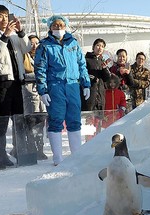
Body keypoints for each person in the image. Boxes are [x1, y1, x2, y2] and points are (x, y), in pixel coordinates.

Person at [34, 15, 91, 166]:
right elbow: (40, 69)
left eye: (61, 25)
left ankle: (76, 155)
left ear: (65, 26)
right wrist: (43, 90)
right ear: (50, 28)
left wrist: (86, 84)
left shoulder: (73, 43)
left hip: (72, 85)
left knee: (74, 120)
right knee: (56, 119)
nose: (58, 28)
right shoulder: (45, 46)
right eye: (55, 25)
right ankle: (58, 157)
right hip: (55, 86)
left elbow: (82, 64)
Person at [0, 5, 31, 168]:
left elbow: (27, 48)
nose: (4, 19)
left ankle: (20, 150)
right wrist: (5, 35)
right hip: (3, 82)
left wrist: (20, 32)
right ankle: (0, 153)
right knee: (2, 121)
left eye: (6, 16)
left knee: (19, 119)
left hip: (17, 81)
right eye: (0, 16)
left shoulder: (15, 35)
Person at [22, 34, 47, 161]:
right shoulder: (23, 57)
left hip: (42, 97)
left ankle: (40, 149)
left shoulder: (43, 57)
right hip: (29, 96)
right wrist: (39, 76)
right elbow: (23, 75)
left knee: (40, 125)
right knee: (31, 125)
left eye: (37, 43)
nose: (34, 45)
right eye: (31, 43)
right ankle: (31, 149)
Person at [82, 38, 111, 111]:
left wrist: (105, 68)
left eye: (102, 46)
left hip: (100, 94)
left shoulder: (103, 61)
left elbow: (107, 79)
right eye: (98, 45)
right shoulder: (86, 59)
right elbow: (83, 74)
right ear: (93, 47)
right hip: (90, 92)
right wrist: (93, 78)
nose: (100, 48)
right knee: (88, 117)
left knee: (99, 119)